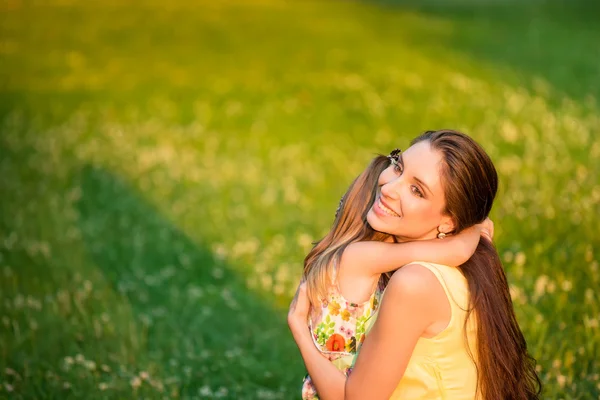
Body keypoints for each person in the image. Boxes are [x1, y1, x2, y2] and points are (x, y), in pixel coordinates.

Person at [289, 130, 542, 400]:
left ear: (449, 222)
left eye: (416, 190)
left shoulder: (414, 283)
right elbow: (456, 248)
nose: (388, 188)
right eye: (398, 167)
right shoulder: (458, 269)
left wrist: (299, 328)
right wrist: (475, 230)